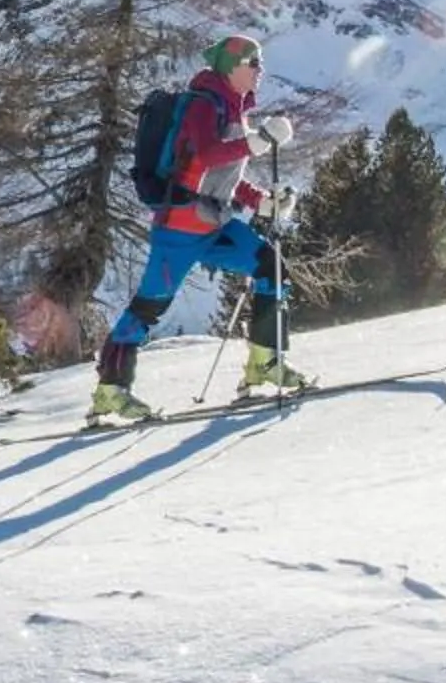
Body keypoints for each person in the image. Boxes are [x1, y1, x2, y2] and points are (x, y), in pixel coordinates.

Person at [92, 34, 308, 424]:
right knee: (150, 305)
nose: (260, 72)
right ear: (233, 66)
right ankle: (110, 390)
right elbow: (207, 155)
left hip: (214, 221)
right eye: (254, 63)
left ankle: (264, 363)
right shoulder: (202, 104)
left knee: (269, 267)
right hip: (181, 226)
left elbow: (224, 176)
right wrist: (259, 141)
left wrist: (262, 201)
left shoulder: (233, 107)